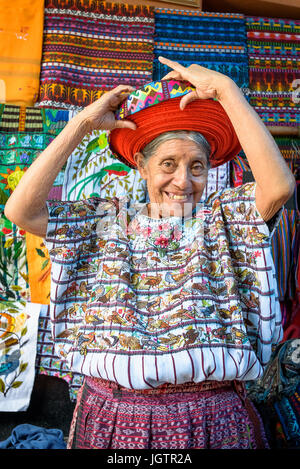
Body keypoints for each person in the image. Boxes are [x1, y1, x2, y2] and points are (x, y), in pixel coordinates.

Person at [4, 56, 295, 449]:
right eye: (168, 164)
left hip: (214, 424)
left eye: (197, 167)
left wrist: (226, 89)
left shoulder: (224, 221)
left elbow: (278, 187)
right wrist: (81, 125)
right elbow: (21, 211)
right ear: (141, 165)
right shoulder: (104, 221)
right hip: (110, 424)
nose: (183, 180)